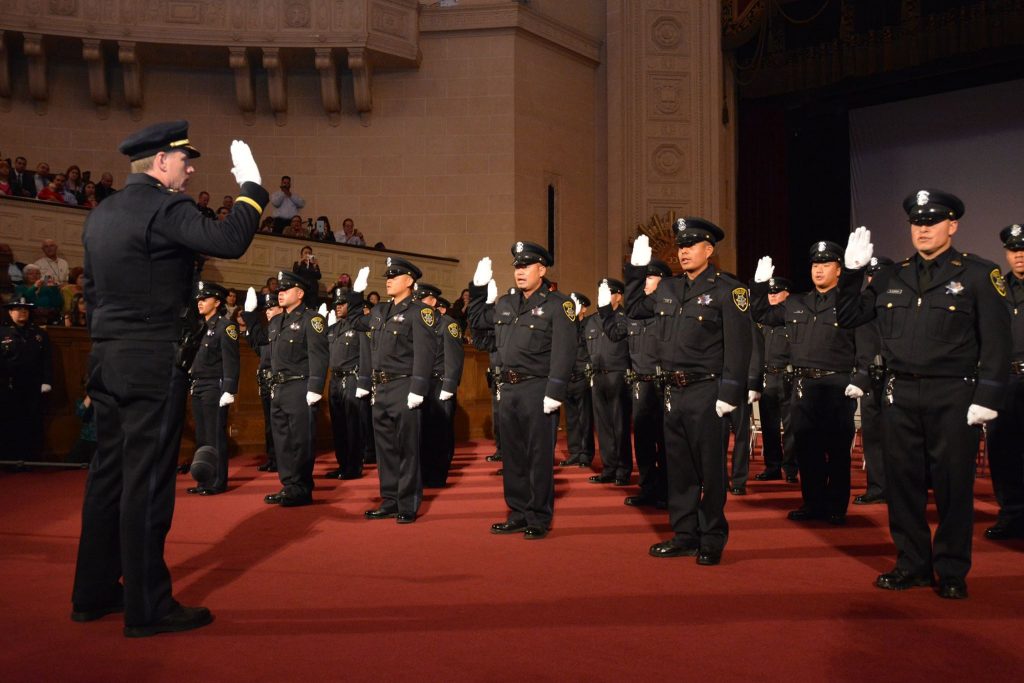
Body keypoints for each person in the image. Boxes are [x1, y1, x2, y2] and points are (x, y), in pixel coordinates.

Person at [72, 120, 267, 637]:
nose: (191, 166)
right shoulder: (165, 207)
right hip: (151, 359)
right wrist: (252, 190)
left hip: (107, 357)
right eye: (185, 159)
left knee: (107, 477)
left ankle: (91, 593)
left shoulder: (102, 213)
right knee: (148, 483)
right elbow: (229, 242)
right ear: (161, 162)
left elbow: (91, 291)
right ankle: (147, 606)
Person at [835, 190, 1011, 599]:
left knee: (953, 485)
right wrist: (851, 274)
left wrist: (988, 396)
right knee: (903, 484)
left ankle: (950, 569)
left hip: (954, 395)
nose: (924, 229)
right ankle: (912, 563)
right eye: (917, 223)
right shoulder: (891, 276)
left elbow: (997, 344)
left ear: (953, 226)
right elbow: (848, 317)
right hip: (900, 394)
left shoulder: (978, 275)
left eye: (932, 222)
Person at [624, 219, 751, 565]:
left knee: (710, 469)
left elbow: (740, 347)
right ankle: (684, 534)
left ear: (709, 250)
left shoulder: (728, 290)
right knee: (679, 468)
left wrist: (731, 392)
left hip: (707, 390)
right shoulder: (667, 289)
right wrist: (634, 272)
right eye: (681, 246)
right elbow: (634, 309)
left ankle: (711, 537)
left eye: (691, 246)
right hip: (672, 391)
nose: (684, 252)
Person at [751, 241, 873, 525]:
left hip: (837, 385)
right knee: (808, 449)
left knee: (837, 451)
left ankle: (835, 507)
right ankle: (813, 502)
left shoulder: (848, 304)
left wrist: (861, 378)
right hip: (804, 386)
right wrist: (758, 286)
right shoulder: (796, 302)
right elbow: (761, 315)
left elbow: (866, 344)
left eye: (826, 265)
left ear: (839, 270)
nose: (819, 270)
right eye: (815, 265)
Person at [468, 242, 575, 539]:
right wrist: (477, 291)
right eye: (517, 266)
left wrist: (555, 391)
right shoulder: (505, 303)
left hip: (538, 388)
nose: (520, 271)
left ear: (542, 270)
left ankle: (538, 516)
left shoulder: (558, 305)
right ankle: (517, 511)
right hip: (509, 389)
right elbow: (477, 323)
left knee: (538, 455)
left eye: (526, 266)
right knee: (513, 454)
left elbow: (564, 352)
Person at [351, 257, 437, 523]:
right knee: (385, 447)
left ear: (409, 281)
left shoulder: (419, 312)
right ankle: (389, 498)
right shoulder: (379, 311)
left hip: (404, 385)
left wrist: (418, 388)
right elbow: (356, 322)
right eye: (387, 275)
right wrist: (356, 294)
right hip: (382, 387)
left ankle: (408, 502)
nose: (388, 279)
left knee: (407, 447)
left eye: (395, 276)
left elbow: (426, 352)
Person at [241, 271, 328, 507]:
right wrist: (249, 315)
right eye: (279, 290)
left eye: (285, 290)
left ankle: (301, 488)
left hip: (300, 386)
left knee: (300, 440)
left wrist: (315, 388)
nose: (280, 293)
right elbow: (264, 350)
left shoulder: (312, 320)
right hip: (278, 387)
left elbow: (319, 356)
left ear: (299, 293)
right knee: (282, 441)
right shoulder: (277, 321)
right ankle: (289, 485)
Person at [601, 260, 671, 508]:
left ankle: (667, 491)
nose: (644, 283)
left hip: (663, 385)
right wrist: (605, 311)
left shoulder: (666, 309)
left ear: (661, 280)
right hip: (640, 384)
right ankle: (648, 488)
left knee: (665, 442)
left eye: (648, 278)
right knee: (642, 440)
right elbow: (615, 334)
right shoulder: (634, 314)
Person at [983, 224, 1024, 540]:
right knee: (1003, 449)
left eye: (1023, 250)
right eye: (1013, 250)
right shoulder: (996, 288)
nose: (1019, 256)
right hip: (1005, 378)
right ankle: (1010, 514)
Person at [186, 281, 240, 496]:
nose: (200, 302)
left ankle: (217, 481)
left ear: (217, 302)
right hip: (199, 384)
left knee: (214, 435)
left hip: (214, 386)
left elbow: (231, 361)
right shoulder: (200, 326)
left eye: (205, 299)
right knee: (202, 436)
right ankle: (204, 479)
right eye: (199, 299)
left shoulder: (225, 327)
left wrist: (229, 389)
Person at [413, 282, 464, 488]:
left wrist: (449, 386)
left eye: (421, 299)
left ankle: (437, 475)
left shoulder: (447, 324)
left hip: (439, 382)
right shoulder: (418, 323)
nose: (416, 303)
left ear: (433, 302)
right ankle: (424, 471)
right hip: (421, 382)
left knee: (440, 430)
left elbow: (454, 358)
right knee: (422, 430)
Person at [853, 256, 893, 506]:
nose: (872, 279)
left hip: (895, 377)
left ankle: (902, 487)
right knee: (873, 436)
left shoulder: (900, 303)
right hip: (869, 377)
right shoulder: (862, 307)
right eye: (870, 274)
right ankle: (877, 487)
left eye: (878, 274)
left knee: (900, 438)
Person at [586, 278, 633, 485]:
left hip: (618, 375)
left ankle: (623, 469)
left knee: (619, 425)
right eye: (600, 294)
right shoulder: (592, 320)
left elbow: (619, 336)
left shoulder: (624, 317)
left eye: (608, 293)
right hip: (597, 375)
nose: (602, 298)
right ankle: (609, 467)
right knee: (603, 425)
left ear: (618, 296)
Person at [753, 277, 799, 483]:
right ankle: (772, 466)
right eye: (769, 292)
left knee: (790, 426)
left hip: (787, 376)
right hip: (767, 376)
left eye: (776, 292)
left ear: (787, 293)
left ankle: (790, 468)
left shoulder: (792, 318)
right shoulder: (761, 320)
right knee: (769, 425)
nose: (771, 295)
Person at [324, 286, 371, 480]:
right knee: (339, 426)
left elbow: (366, 355)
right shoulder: (334, 328)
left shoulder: (359, 327)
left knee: (353, 426)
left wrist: (364, 382)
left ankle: (353, 466)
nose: (337, 307)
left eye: (342, 303)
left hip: (352, 378)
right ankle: (342, 464)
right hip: (335, 379)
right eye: (336, 304)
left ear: (351, 305)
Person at [0, 296, 53, 460]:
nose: (23, 311)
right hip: (8, 385)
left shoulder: (39, 334)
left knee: (32, 421)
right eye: (18, 308)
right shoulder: (2, 332)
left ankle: (31, 458)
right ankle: (11, 458)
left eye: (25, 309)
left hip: (33, 384)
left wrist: (47, 380)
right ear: (10, 311)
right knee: (10, 422)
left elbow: (47, 359)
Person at [245, 291, 282, 473]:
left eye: (271, 307)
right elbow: (258, 348)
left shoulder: (282, 327)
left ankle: (280, 459)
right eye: (266, 308)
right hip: (266, 380)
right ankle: (273, 457)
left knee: (278, 424)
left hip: (278, 380)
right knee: (269, 424)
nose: (267, 311)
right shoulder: (269, 329)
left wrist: (251, 317)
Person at [560, 292, 594, 468]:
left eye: (576, 304)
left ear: (584, 308)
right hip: (568, 377)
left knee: (585, 418)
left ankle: (586, 454)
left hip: (582, 376)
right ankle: (574, 452)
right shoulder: (566, 325)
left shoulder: (588, 324)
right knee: (571, 418)